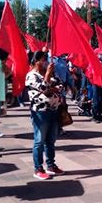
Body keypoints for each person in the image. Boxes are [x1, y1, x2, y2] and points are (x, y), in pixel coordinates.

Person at [25, 51, 65, 180]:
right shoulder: (31, 75)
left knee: (51, 141)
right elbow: (43, 88)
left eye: (46, 59)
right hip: (40, 112)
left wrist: (51, 85)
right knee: (39, 141)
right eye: (43, 59)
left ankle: (51, 165)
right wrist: (48, 76)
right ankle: (38, 168)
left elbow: (60, 85)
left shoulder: (51, 73)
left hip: (54, 110)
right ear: (36, 61)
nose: (46, 62)